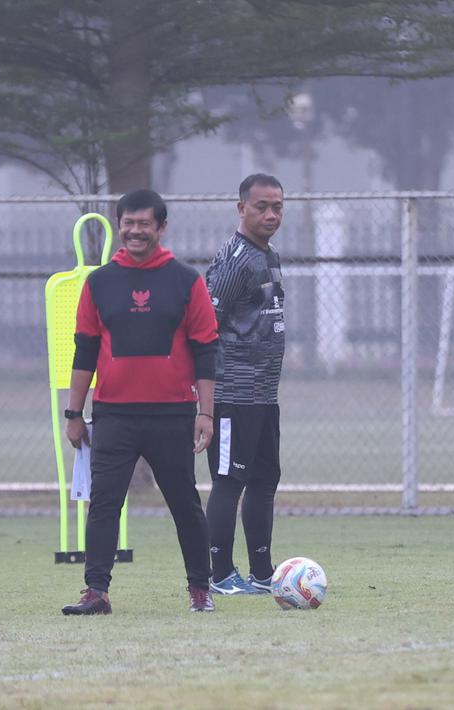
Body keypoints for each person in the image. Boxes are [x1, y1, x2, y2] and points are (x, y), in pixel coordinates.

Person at [60, 189, 219, 615]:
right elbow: (84, 351)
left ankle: (200, 590)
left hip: (172, 414)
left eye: (143, 224)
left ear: (161, 228)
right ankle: (96, 592)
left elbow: (206, 350)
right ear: (119, 225)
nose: (134, 231)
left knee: (184, 503)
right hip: (113, 414)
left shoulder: (186, 281)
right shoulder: (99, 283)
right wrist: (74, 414)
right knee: (104, 503)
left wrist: (205, 412)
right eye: (127, 223)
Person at [203, 173, 287, 596]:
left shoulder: (267, 254)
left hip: (264, 396)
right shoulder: (236, 259)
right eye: (261, 207)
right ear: (241, 208)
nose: (270, 214)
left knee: (264, 481)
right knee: (229, 481)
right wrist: (205, 392)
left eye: (277, 207)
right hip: (232, 395)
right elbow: (203, 326)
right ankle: (218, 576)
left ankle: (262, 573)